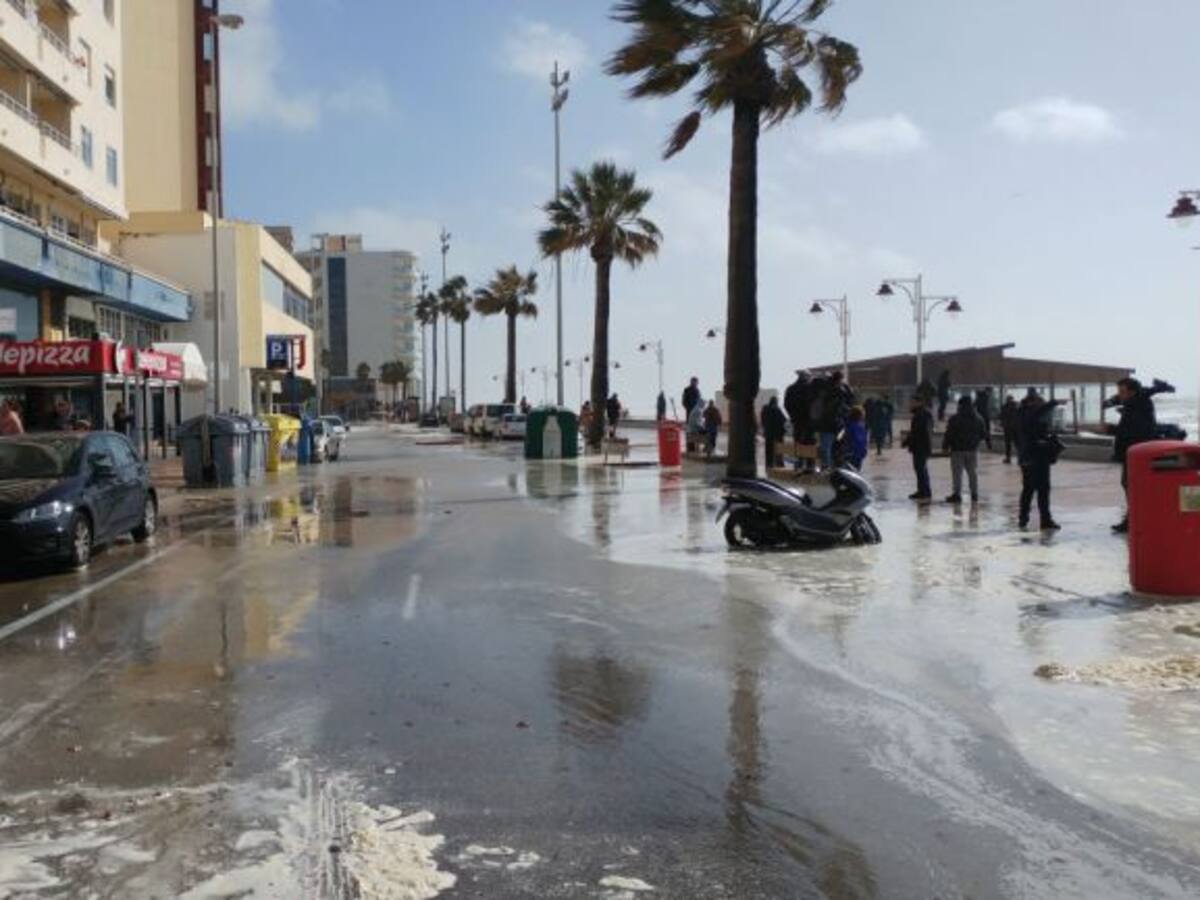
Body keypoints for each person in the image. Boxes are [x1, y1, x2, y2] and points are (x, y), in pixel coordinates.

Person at [1106, 377, 1176, 533]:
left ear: (1131, 392)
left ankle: (1136, 520)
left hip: (1139, 454)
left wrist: (1110, 429)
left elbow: (1135, 431)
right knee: (1129, 485)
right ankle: (1132, 519)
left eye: (1122, 392)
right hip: (1131, 453)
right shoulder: (1134, 402)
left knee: (1134, 487)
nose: (1120, 395)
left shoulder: (1138, 404)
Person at [1017, 388, 1064, 531]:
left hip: (1026, 457)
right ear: (1034, 402)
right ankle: (1045, 520)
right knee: (1042, 490)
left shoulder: (1022, 413)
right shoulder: (1030, 414)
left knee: (1028, 490)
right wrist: (1053, 403)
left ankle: (1023, 518)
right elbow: (1035, 419)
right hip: (1036, 457)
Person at [942, 394, 987, 503]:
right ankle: (974, 494)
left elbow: (949, 434)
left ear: (960, 405)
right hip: (972, 450)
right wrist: (975, 442)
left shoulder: (955, 418)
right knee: (972, 473)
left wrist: (945, 446)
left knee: (957, 473)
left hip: (958, 450)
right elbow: (983, 434)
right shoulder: (979, 418)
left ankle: (957, 495)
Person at [815, 370, 852, 470]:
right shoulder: (840, 391)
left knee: (826, 448)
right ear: (839, 380)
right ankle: (837, 467)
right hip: (837, 426)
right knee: (838, 446)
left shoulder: (824, 390)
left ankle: (826, 467)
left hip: (826, 426)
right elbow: (845, 406)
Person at [903, 395, 934, 502]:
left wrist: (907, 442)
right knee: (921, 469)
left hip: (920, 446)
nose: (910, 404)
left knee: (920, 469)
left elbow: (917, 432)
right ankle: (923, 490)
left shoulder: (921, 415)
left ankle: (924, 491)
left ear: (919, 402)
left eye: (912, 402)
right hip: (921, 446)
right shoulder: (922, 414)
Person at [783, 370, 815, 472]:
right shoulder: (810, 388)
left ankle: (798, 465)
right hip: (809, 421)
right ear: (805, 377)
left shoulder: (790, 388)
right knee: (809, 443)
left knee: (798, 442)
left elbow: (786, 405)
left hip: (797, 421)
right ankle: (810, 466)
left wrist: (793, 416)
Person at [760, 395, 787, 469]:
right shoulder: (777, 409)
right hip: (777, 433)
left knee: (768, 449)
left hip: (768, 432)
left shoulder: (765, 409)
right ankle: (779, 463)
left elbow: (763, 420)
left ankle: (768, 463)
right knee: (779, 449)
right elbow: (784, 420)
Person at [845, 406, 868, 471]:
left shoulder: (859, 425)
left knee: (855, 470)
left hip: (857, 451)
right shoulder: (853, 425)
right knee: (854, 470)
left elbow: (864, 439)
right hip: (854, 452)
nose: (863, 416)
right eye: (862, 414)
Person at [1000, 395, 1020, 464]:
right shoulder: (1016, 406)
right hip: (1012, 428)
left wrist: (1003, 423)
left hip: (1011, 428)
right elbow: (1002, 416)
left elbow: (1002, 416)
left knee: (1012, 444)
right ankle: (1014, 458)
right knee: (1014, 443)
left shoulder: (1007, 407)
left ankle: (1010, 458)